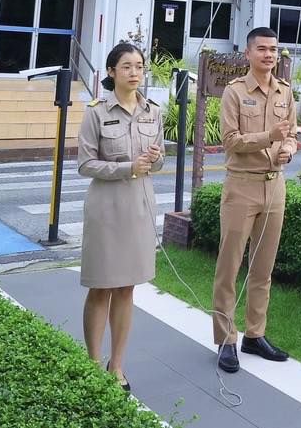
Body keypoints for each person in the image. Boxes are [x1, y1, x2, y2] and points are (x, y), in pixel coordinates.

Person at [77, 43, 164, 391]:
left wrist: (154, 159)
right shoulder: (96, 112)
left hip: (139, 206)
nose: (134, 72)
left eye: (139, 66)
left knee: (126, 288)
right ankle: (91, 362)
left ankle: (116, 364)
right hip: (106, 208)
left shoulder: (153, 111)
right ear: (112, 72)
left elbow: (159, 161)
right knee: (101, 287)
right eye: (126, 66)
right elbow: (86, 164)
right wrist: (128, 167)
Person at [212, 26, 297, 372]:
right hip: (242, 186)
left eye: (273, 49)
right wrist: (269, 136)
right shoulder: (234, 92)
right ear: (247, 53)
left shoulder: (285, 91)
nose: (268, 54)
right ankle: (226, 339)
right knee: (229, 267)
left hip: (274, 187)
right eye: (261, 49)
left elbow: (292, 134)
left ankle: (254, 334)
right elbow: (230, 140)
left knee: (263, 268)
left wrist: (288, 148)